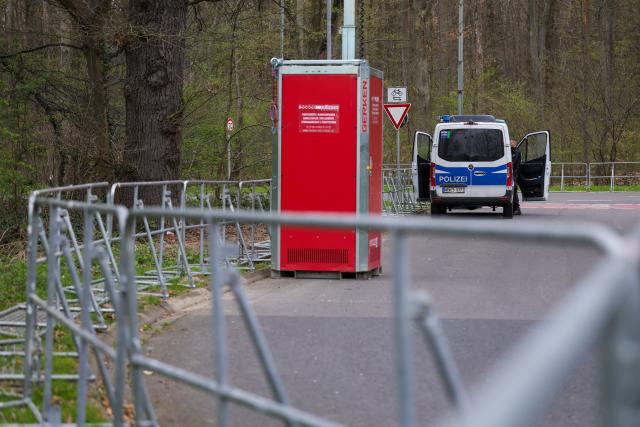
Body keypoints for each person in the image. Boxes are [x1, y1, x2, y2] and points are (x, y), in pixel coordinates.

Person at [510, 139, 522, 215]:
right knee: (513, 190)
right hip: (513, 173)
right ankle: (515, 208)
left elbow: (513, 163)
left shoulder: (516, 152)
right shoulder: (514, 151)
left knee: (514, 190)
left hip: (514, 173)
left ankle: (517, 208)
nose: (510, 144)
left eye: (511, 143)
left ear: (514, 143)